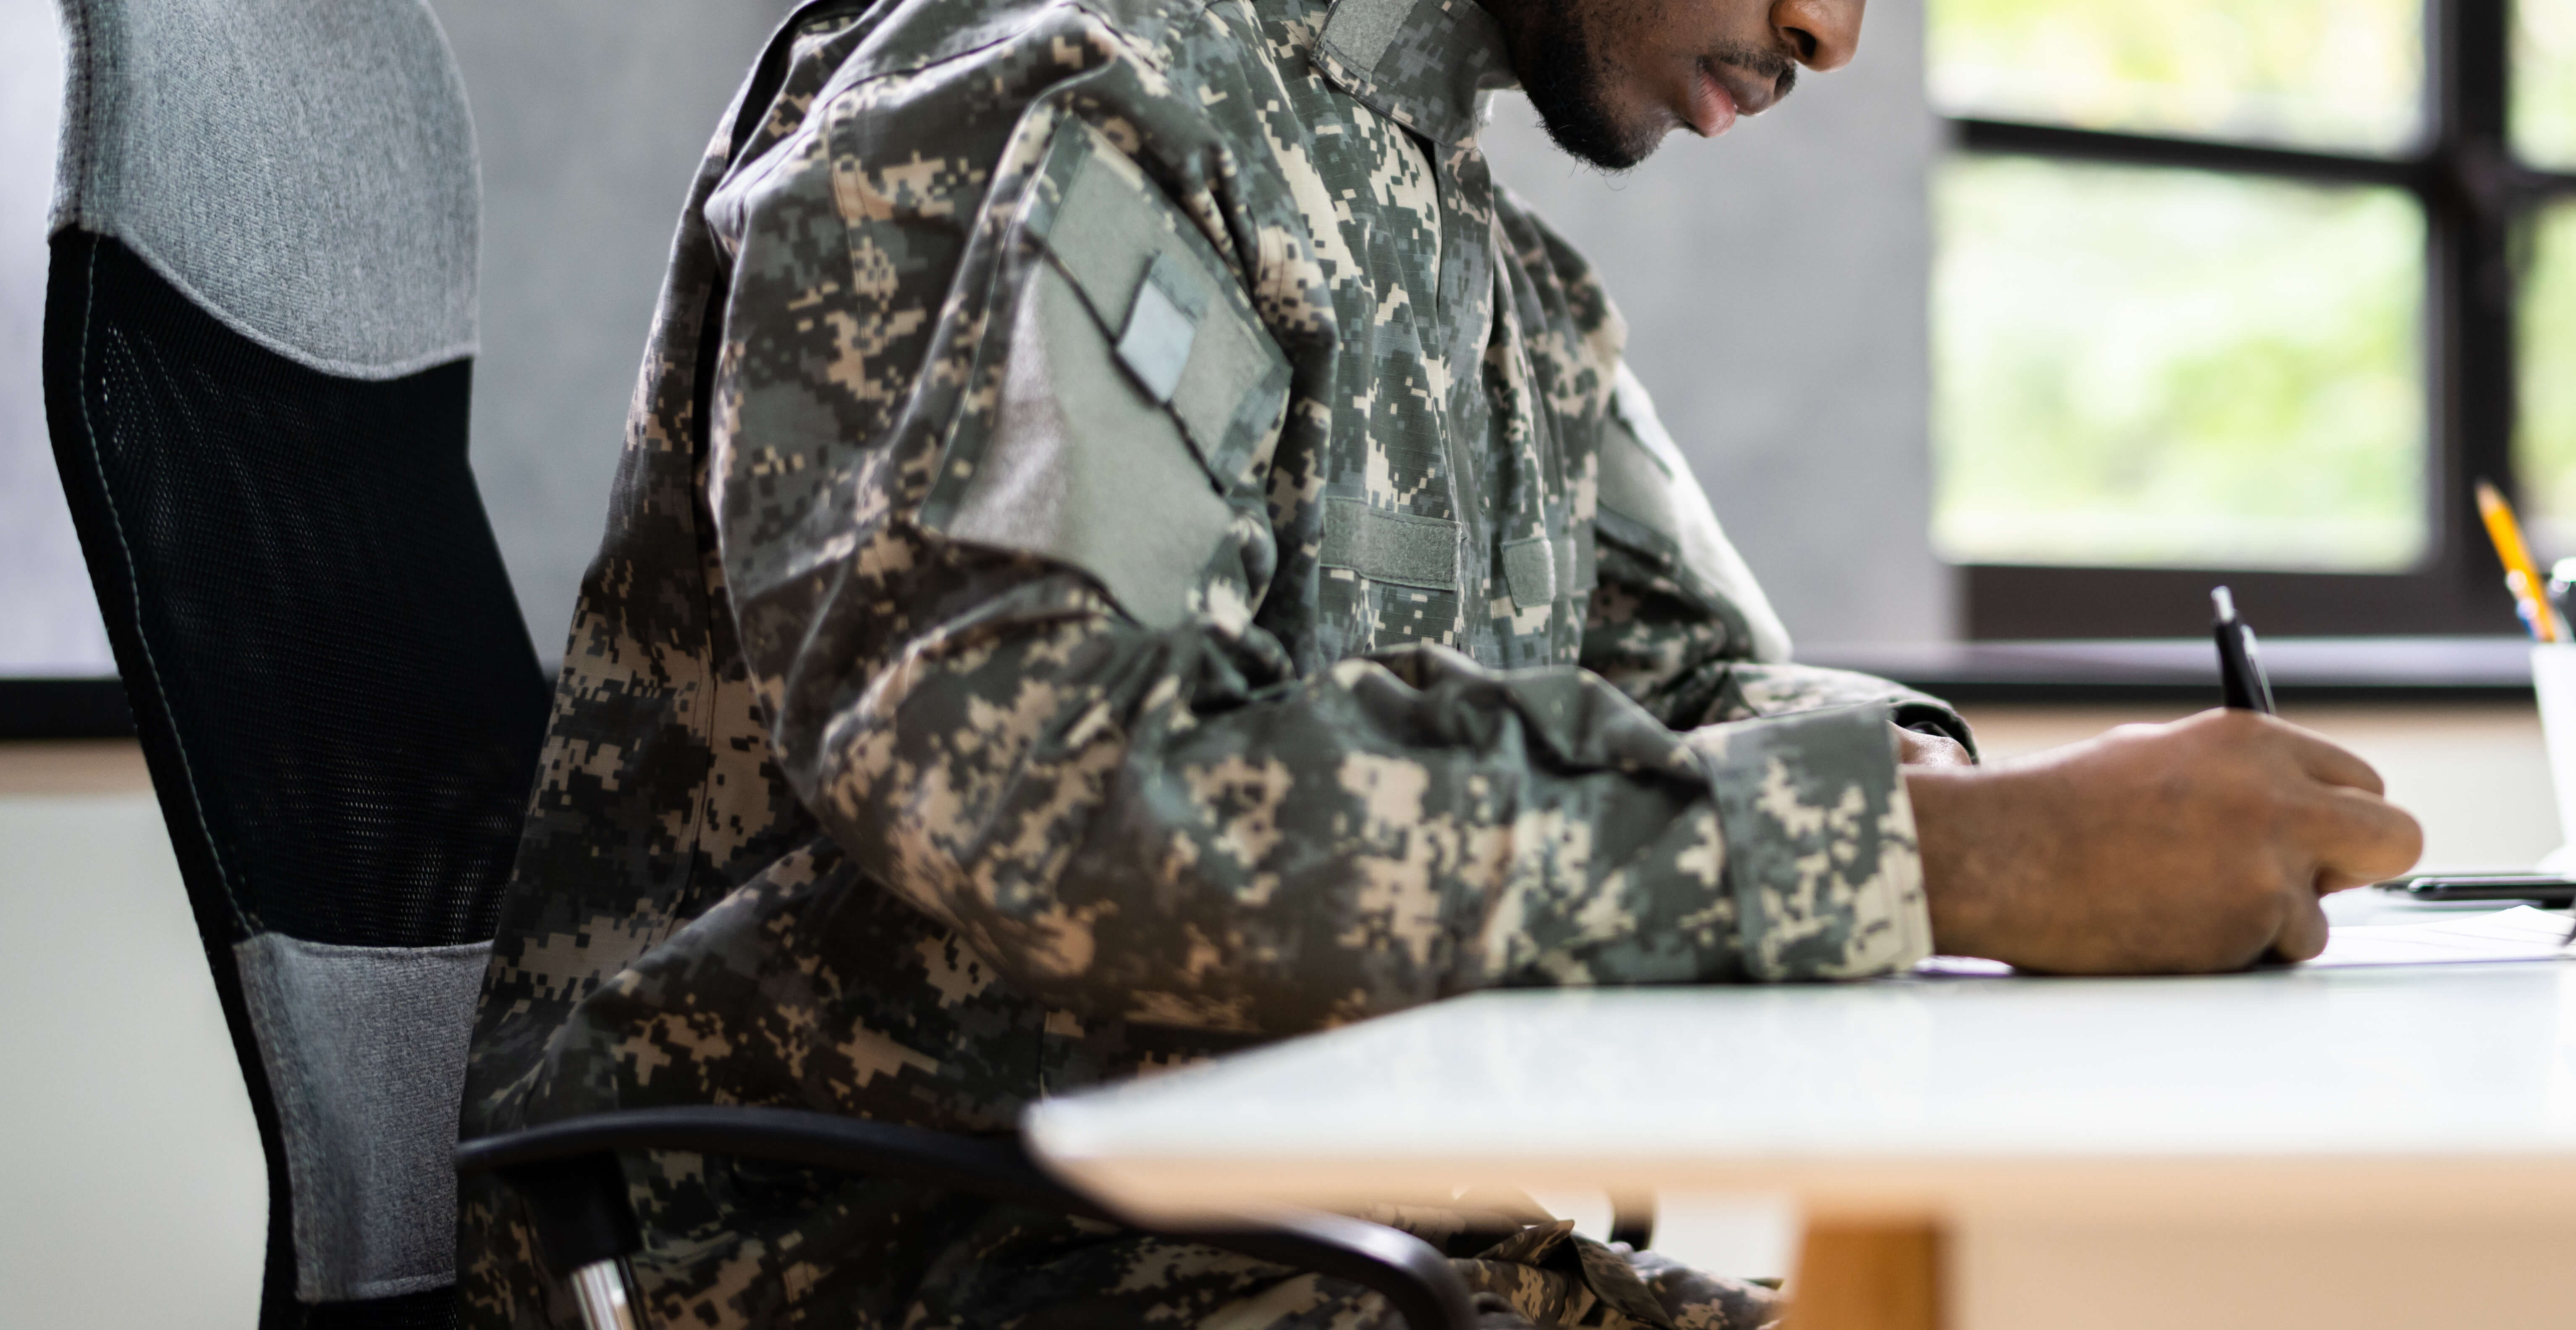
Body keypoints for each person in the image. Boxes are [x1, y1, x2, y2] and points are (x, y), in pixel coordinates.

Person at [456, 0, 2426, 1324]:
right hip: (881, 1266)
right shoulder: (1073, 89)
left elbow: (1702, 697)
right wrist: (1956, 866)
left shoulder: (1470, 251)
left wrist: (2026, 827)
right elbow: (1055, 785)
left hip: (1288, 1249)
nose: (1837, 25)